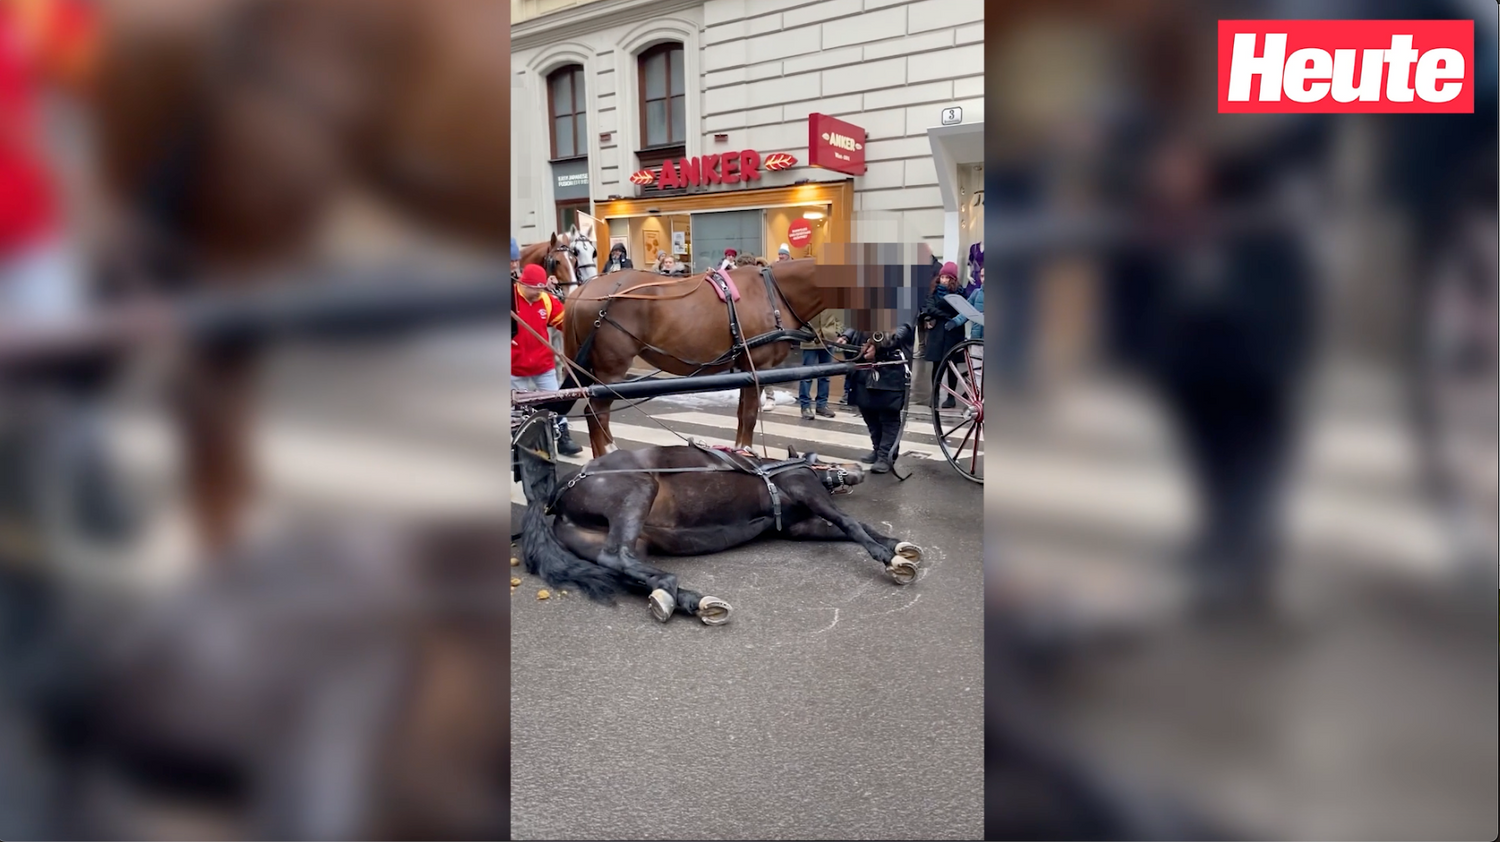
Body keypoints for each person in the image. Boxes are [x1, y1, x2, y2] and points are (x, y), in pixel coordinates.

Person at [512, 264, 583, 455]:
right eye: (534, 288)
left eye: (541, 288)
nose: (538, 292)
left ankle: (563, 437)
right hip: (514, 367)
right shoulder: (510, 299)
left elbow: (564, 323)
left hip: (543, 364)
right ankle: (519, 444)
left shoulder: (546, 300)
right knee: (517, 410)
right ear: (523, 284)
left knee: (556, 401)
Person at [840, 322, 915, 474]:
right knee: (868, 411)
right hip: (864, 365)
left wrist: (878, 344)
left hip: (890, 368)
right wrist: (847, 335)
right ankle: (878, 449)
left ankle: (886, 455)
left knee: (888, 416)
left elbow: (901, 330)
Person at [920, 262, 967, 409]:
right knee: (937, 365)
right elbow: (929, 308)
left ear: (953, 279)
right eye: (942, 277)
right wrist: (945, 313)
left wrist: (942, 309)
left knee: (952, 366)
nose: (944, 280)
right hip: (937, 333)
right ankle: (934, 396)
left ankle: (951, 397)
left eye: (947, 277)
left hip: (953, 333)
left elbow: (960, 309)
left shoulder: (960, 292)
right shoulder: (934, 291)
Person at [797, 309, 843, 420]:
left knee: (825, 375)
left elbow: (840, 316)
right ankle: (805, 406)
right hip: (810, 339)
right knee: (807, 375)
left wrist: (837, 331)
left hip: (828, 339)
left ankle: (822, 405)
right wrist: (804, 332)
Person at [953, 266, 984, 341]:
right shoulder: (976, 293)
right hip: (976, 339)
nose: (984, 279)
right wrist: (955, 321)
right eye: (982, 276)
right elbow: (966, 311)